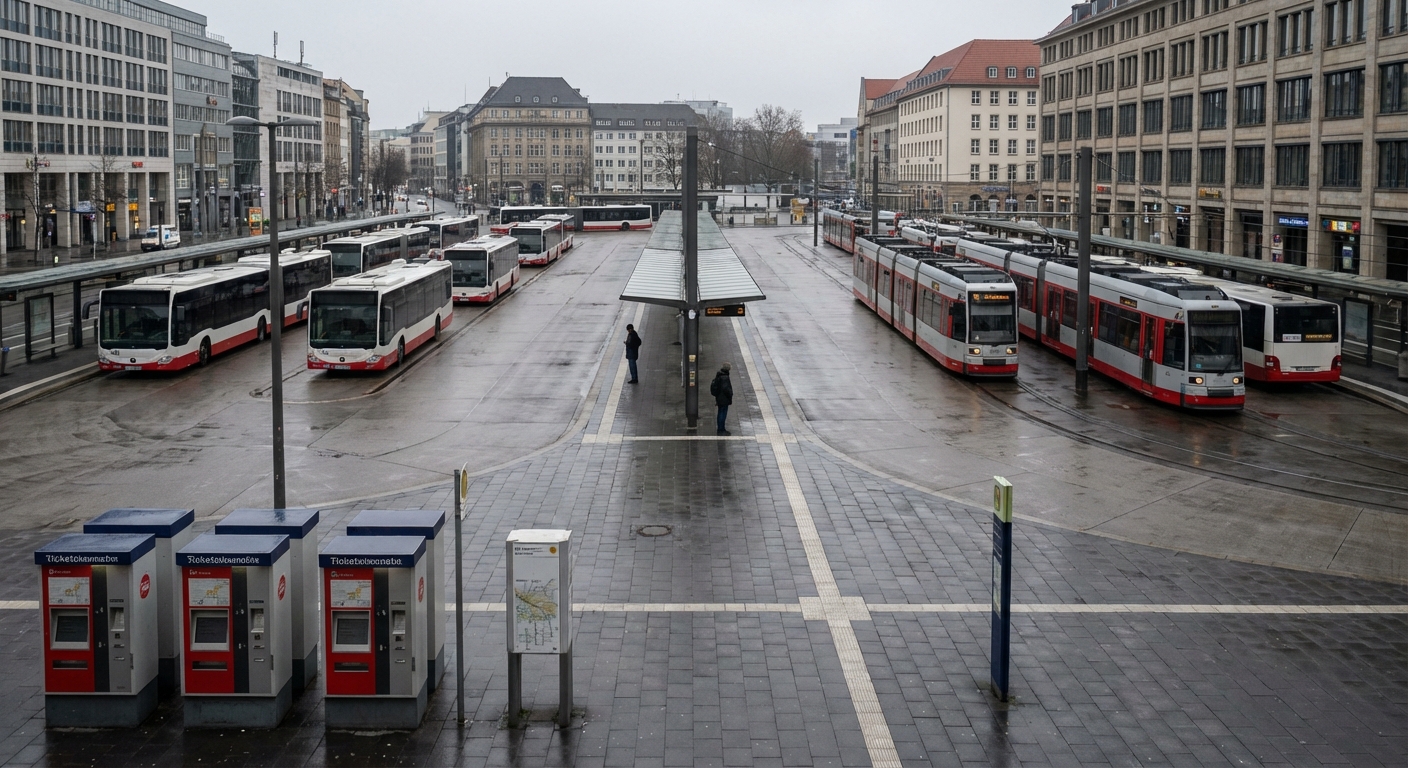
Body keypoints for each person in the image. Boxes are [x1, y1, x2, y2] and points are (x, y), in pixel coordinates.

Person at [710, 362, 733, 435]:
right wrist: (730, 394)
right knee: (722, 413)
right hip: (724, 399)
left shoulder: (719, 375)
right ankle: (721, 429)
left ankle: (721, 428)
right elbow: (726, 389)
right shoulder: (725, 377)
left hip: (719, 397)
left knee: (720, 412)